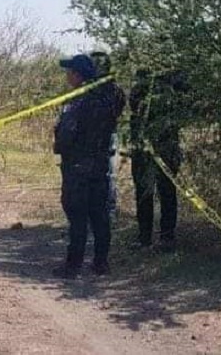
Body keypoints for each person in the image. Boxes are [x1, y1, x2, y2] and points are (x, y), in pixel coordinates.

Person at [53, 54, 120, 278]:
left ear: (78, 75)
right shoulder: (108, 98)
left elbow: (66, 135)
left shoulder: (78, 101)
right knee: (100, 215)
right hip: (100, 165)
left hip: (78, 166)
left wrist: (60, 147)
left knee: (77, 216)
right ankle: (101, 263)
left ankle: (73, 265)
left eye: (70, 71)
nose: (67, 75)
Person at [129, 69, 188, 252]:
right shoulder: (144, 78)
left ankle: (165, 238)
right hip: (145, 147)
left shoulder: (176, 81)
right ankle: (146, 238)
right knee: (146, 193)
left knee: (165, 192)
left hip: (164, 146)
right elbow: (134, 104)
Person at [89, 51, 126, 224]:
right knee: (98, 174)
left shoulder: (112, 89)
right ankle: (98, 210)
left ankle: (108, 211)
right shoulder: (89, 87)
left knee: (108, 174)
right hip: (94, 136)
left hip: (107, 135)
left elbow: (118, 109)